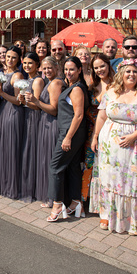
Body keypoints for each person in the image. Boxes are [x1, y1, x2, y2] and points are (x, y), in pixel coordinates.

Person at [90, 58, 137, 238]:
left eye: (135, 71)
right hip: (110, 145)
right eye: (128, 71)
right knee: (110, 177)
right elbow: (101, 116)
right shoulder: (111, 92)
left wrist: (132, 137)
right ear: (121, 73)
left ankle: (134, 221)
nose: (131, 75)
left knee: (135, 181)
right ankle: (107, 214)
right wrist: (96, 136)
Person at [46, 56, 88, 222]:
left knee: (55, 167)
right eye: (66, 69)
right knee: (72, 167)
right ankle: (76, 202)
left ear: (79, 70)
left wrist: (68, 137)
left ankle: (57, 203)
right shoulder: (71, 86)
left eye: (72, 69)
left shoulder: (77, 89)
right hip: (71, 133)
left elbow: (78, 115)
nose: (68, 72)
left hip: (71, 133)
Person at [26, 56, 64, 206]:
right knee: (44, 160)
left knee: (49, 160)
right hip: (44, 122)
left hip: (52, 124)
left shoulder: (55, 83)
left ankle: (52, 197)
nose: (47, 70)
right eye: (45, 68)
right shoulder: (50, 82)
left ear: (56, 68)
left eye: (50, 68)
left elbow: (54, 110)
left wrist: (36, 101)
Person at [0, 46, 25, 199]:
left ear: (19, 59)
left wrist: (1, 93)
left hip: (13, 112)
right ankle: (4, 183)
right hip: (2, 111)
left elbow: (18, 101)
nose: (10, 60)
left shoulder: (17, 75)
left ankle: (13, 186)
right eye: (8, 57)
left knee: (12, 147)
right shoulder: (2, 73)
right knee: (3, 148)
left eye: (13, 57)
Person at [84, 53, 114, 203]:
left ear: (108, 65)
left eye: (102, 66)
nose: (100, 70)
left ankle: (106, 200)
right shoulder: (92, 87)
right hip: (92, 129)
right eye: (96, 68)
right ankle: (86, 198)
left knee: (108, 164)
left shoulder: (117, 85)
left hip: (110, 129)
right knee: (89, 162)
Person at [18, 52, 45, 202]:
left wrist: (24, 102)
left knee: (31, 150)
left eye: (30, 63)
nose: (27, 66)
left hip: (33, 117)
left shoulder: (37, 81)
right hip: (25, 115)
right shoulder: (26, 79)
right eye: (25, 63)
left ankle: (32, 188)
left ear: (37, 65)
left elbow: (37, 105)